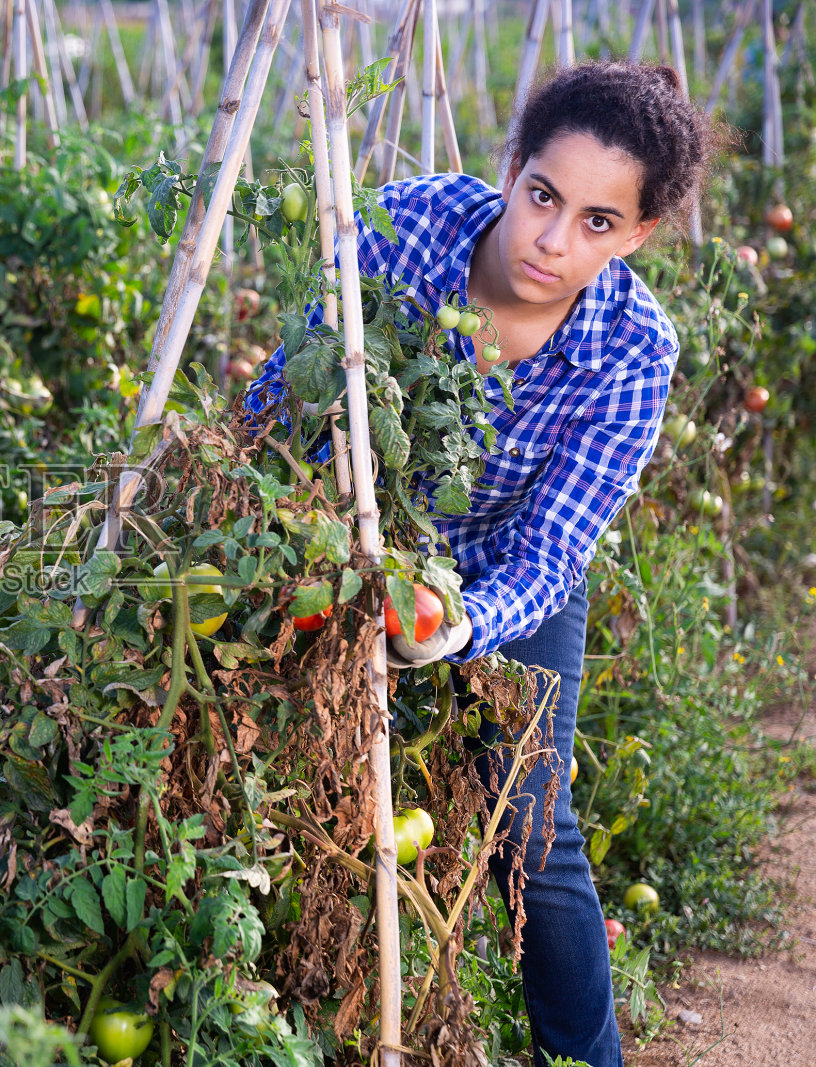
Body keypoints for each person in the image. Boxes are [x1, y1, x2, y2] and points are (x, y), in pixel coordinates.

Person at [242, 62, 718, 1067]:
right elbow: (287, 395)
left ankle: (584, 1059)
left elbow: (555, 544)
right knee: (271, 781)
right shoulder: (407, 226)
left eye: (596, 221)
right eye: (542, 195)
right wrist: (265, 526)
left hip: (508, 576)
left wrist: (457, 624)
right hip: (349, 540)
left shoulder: (632, 347)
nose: (551, 239)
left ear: (634, 236)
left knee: (530, 832)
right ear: (510, 169)